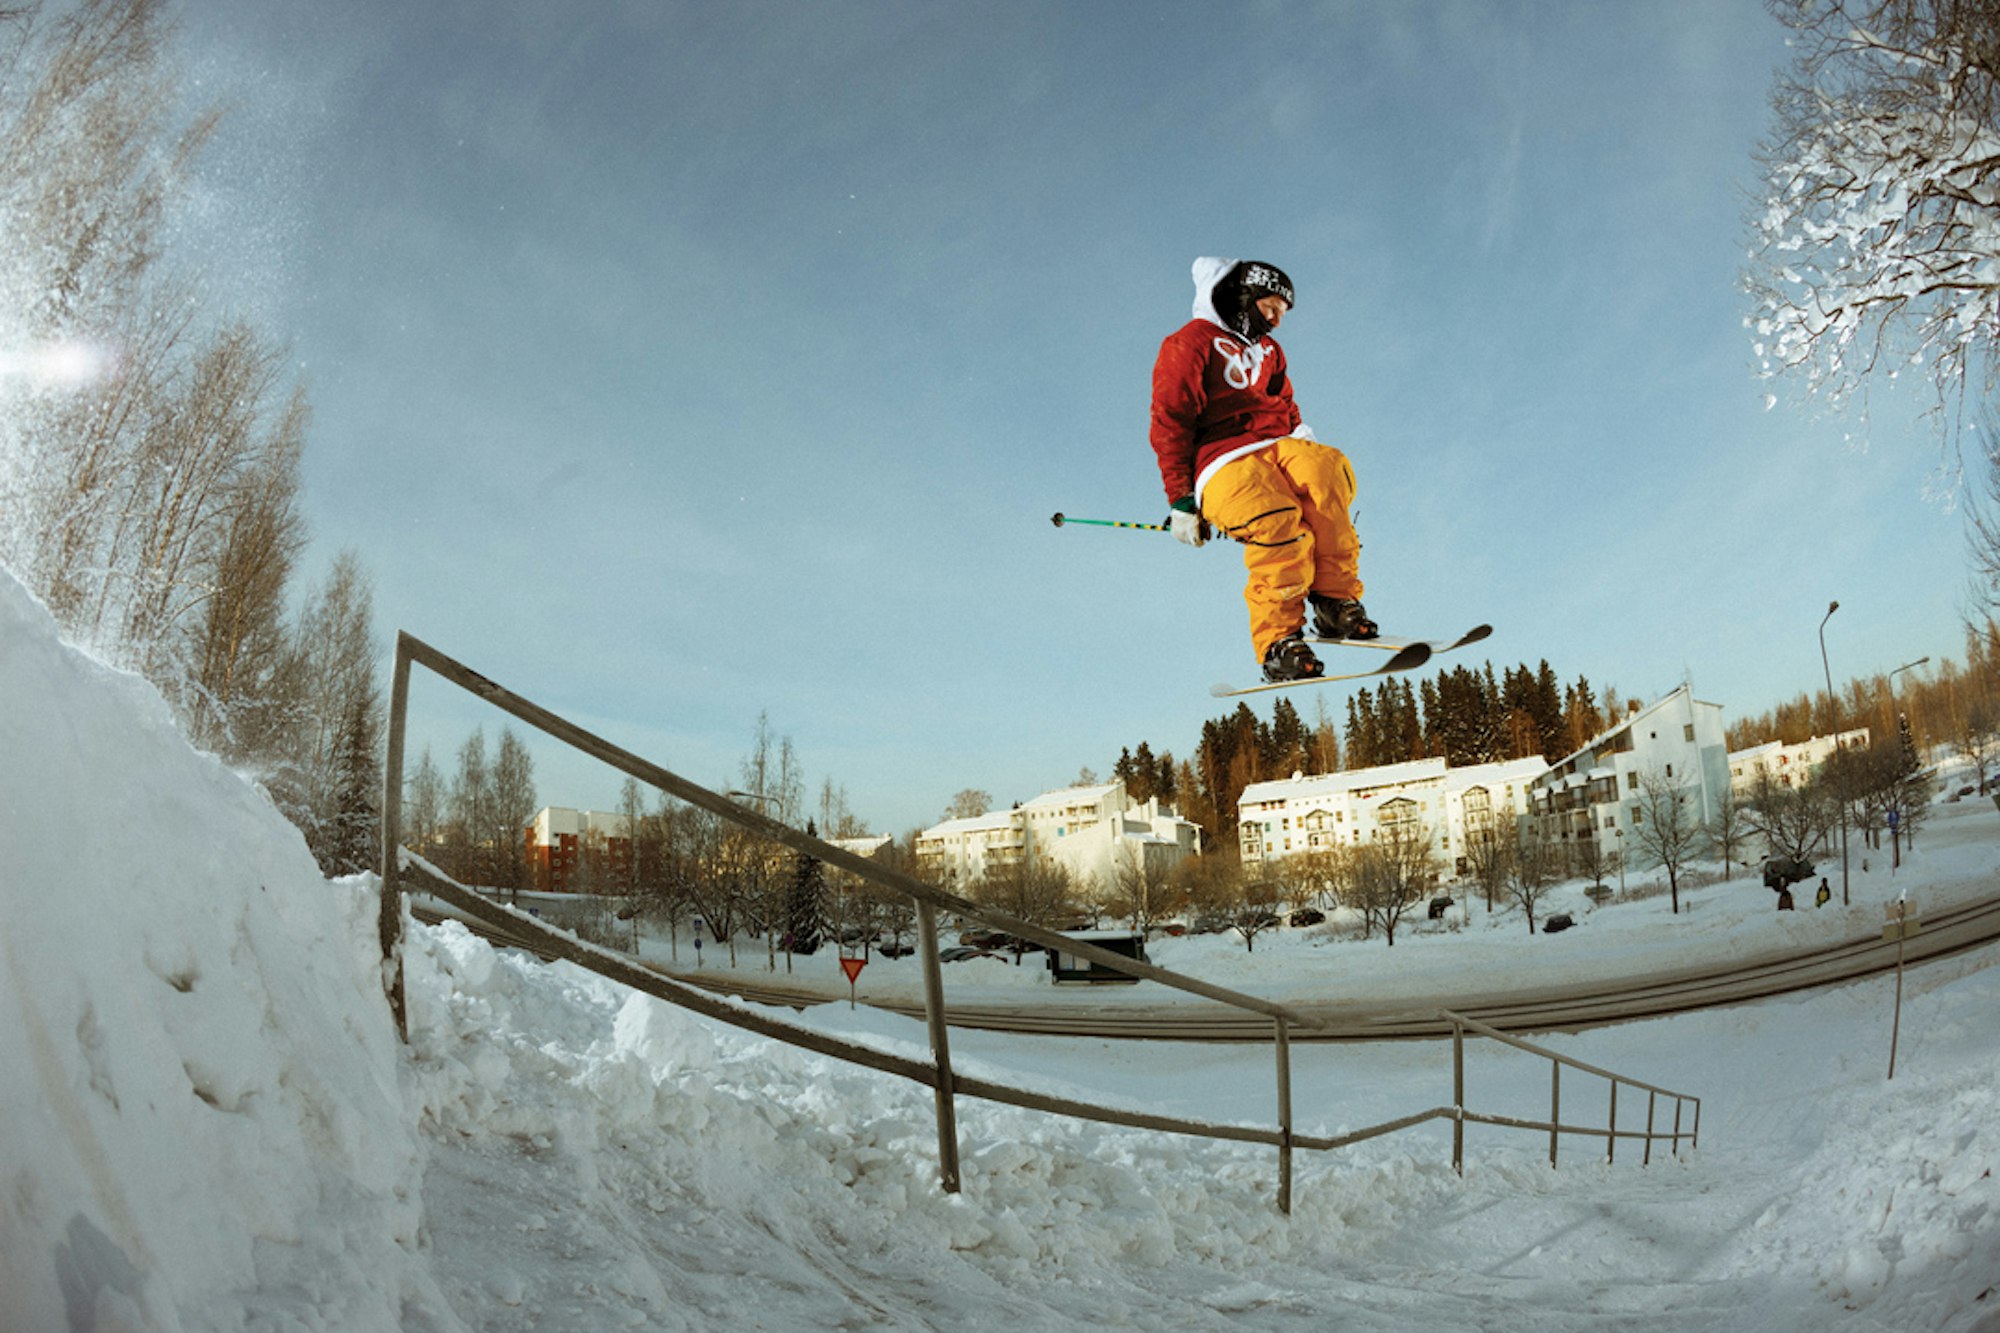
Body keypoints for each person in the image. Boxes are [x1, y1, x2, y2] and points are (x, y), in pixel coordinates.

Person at [1148, 257, 1376, 683]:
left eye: (1283, 314)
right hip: (1222, 459)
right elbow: (1170, 419)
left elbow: (1285, 404)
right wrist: (1181, 498)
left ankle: (1333, 601)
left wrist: (1302, 442)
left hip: (1277, 442)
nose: (1276, 322)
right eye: (1271, 309)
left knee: (1327, 474)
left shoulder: (1270, 351)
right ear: (1244, 298)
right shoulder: (1190, 342)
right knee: (1276, 518)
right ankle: (1278, 641)